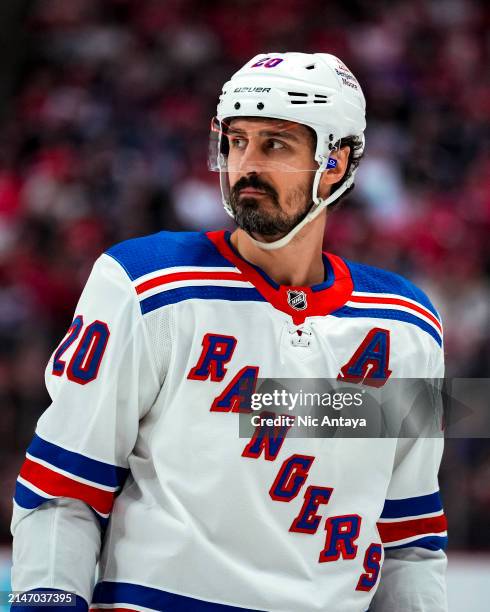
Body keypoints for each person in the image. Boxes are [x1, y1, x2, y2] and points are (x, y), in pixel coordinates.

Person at [11, 52, 448, 612]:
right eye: (236, 141)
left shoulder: (406, 323)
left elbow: (408, 539)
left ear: (336, 161)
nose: (246, 166)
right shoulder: (146, 284)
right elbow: (64, 488)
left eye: (275, 145)